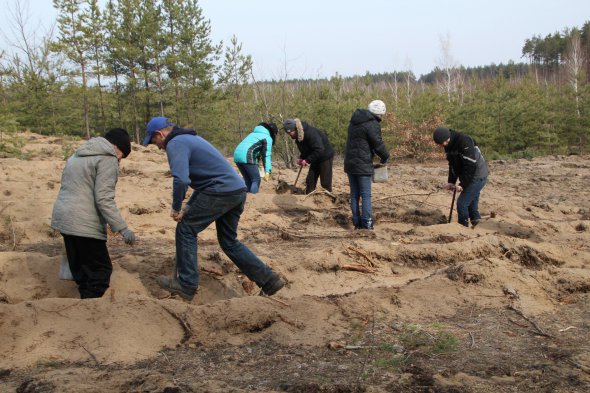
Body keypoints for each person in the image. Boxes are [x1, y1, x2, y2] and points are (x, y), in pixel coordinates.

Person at [143, 116, 284, 300]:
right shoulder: (190, 138)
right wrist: (189, 206)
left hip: (221, 191)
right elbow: (205, 181)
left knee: (186, 228)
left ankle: (186, 284)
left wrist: (176, 208)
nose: (158, 147)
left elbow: (181, 180)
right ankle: (269, 281)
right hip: (236, 190)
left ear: (159, 134)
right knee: (229, 241)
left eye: (154, 142)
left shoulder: (175, 143)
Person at [51, 128, 136, 299]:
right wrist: (122, 228)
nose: (119, 161)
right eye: (122, 155)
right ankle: (92, 317)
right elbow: (104, 199)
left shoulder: (77, 155)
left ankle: (83, 309)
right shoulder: (107, 158)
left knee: (82, 272)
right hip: (84, 222)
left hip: (64, 219)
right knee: (100, 271)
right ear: (116, 147)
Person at [344, 100, 390, 230]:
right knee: (366, 195)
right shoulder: (372, 124)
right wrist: (385, 156)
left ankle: (357, 223)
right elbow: (378, 144)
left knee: (354, 194)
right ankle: (367, 224)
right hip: (363, 164)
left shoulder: (354, 121)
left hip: (350, 163)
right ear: (379, 113)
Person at [433, 126, 489, 228]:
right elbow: (453, 164)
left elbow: (471, 165)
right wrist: (451, 182)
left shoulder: (464, 140)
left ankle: (462, 229)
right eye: (440, 144)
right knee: (472, 206)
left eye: (443, 143)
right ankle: (478, 226)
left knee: (462, 204)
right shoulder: (448, 144)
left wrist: (462, 184)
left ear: (448, 137)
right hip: (469, 175)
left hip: (478, 175)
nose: (442, 145)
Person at [283, 118, 334, 194]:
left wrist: (307, 160)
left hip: (325, 156)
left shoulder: (310, 133)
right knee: (310, 180)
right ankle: (309, 199)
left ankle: (328, 201)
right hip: (315, 157)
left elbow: (319, 149)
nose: (290, 134)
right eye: (288, 133)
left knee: (325, 182)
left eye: (291, 132)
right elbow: (305, 150)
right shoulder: (298, 137)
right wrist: (302, 158)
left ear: (296, 129)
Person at [233, 122, 279, 194]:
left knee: (248, 179)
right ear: (273, 132)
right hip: (247, 156)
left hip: (237, 155)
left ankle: (246, 198)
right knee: (256, 179)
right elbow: (266, 155)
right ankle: (253, 200)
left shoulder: (253, 134)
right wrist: (267, 171)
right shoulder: (267, 137)